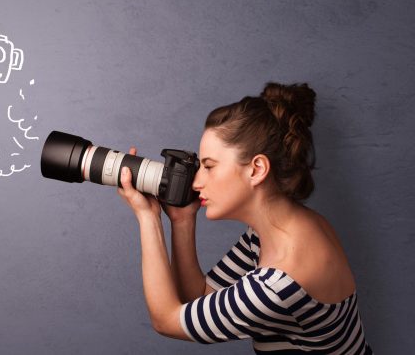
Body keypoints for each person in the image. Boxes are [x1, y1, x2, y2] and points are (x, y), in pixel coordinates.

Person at [117, 82, 372, 354]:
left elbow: (167, 320)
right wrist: (182, 222)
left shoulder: (281, 281)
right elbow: (200, 296)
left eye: (209, 167)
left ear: (257, 169)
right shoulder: (280, 231)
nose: (196, 182)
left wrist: (147, 217)